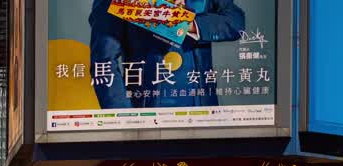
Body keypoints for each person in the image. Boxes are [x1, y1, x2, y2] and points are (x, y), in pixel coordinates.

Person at [89, 0, 246, 110]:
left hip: (202, 108)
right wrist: (124, 119)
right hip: (147, 111)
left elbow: (235, 21)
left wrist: (187, 24)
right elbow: (103, 61)